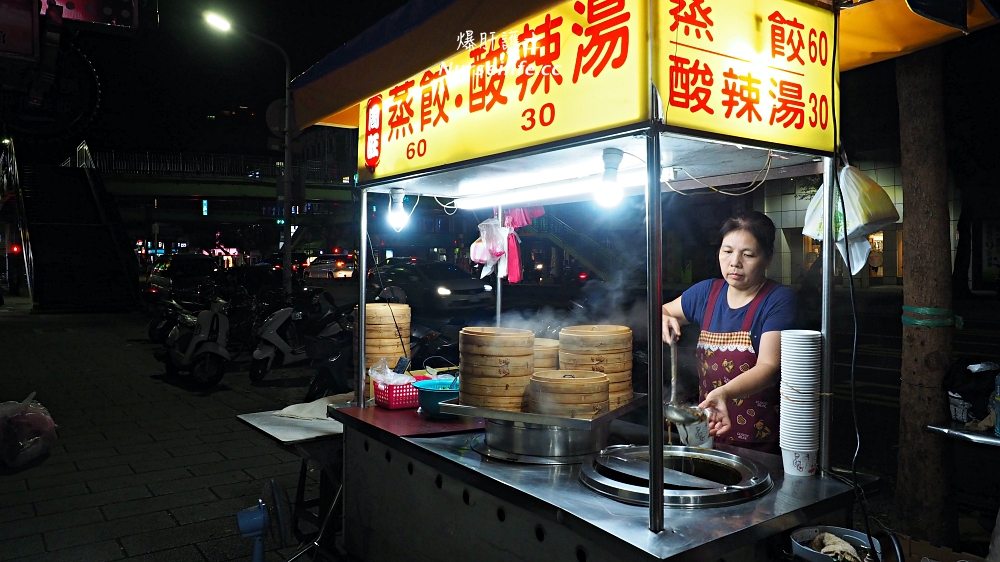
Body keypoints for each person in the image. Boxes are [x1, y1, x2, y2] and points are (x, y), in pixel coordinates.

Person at [661, 211, 797, 453]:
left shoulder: (778, 300)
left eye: (748, 254)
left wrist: (723, 393)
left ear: (767, 259)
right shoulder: (705, 293)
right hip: (709, 431)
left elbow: (769, 367)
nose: (735, 262)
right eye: (727, 251)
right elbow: (663, 311)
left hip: (759, 440)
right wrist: (662, 317)